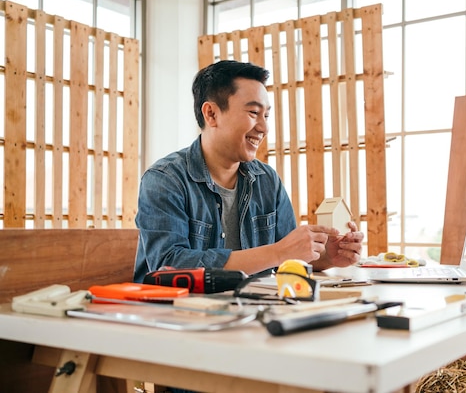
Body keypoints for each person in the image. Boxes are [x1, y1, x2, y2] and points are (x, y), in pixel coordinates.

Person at [133, 60, 364, 283]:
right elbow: (168, 267)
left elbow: (287, 257)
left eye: (266, 116)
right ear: (211, 114)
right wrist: (277, 252)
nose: (264, 128)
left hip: (249, 310)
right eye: (254, 113)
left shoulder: (267, 180)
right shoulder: (164, 179)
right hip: (176, 316)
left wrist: (327, 257)